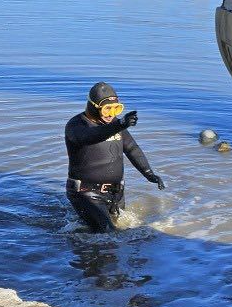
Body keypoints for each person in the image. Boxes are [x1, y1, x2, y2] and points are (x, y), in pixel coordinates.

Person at [65, 82, 165, 232]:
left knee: (119, 231)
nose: (111, 114)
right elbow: (91, 137)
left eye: (116, 109)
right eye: (107, 110)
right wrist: (119, 125)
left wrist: (149, 174)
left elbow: (132, 148)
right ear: (93, 107)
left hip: (116, 193)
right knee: (108, 235)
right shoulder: (76, 126)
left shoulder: (114, 124)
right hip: (87, 193)